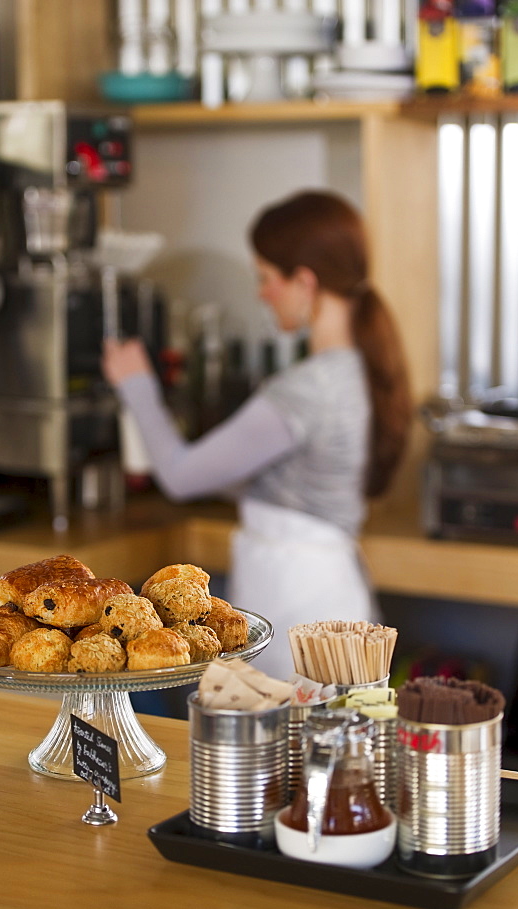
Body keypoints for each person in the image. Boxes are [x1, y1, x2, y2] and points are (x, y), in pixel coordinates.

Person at [101, 190, 412, 679]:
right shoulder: (354, 372)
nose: (261, 293)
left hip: (296, 603)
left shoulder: (308, 389)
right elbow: (273, 479)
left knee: (280, 749)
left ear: (304, 282)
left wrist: (136, 384)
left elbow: (180, 476)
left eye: (266, 278)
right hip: (327, 594)